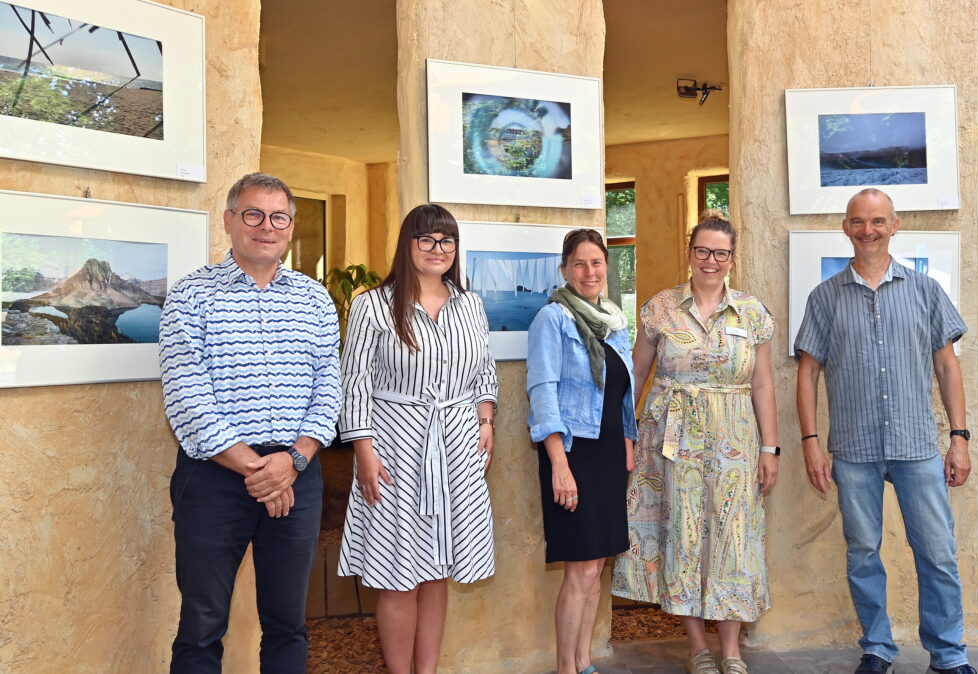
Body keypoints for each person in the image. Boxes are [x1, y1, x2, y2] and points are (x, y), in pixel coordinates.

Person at [160, 172, 341, 672]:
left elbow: (329, 388)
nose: (266, 226)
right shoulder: (191, 296)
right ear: (229, 221)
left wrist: (294, 460)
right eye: (253, 214)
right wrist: (260, 470)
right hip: (213, 479)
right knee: (201, 626)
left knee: (288, 625)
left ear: (291, 226)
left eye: (278, 216)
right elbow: (187, 398)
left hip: (296, 474)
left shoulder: (315, 298)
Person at [794, 188, 975, 674]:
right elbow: (807, 373)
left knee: (937, 552)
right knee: (863, 552)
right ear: (845, 227)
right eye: (858, 221)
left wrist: (959, 437)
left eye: (878, 221)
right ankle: (876, 647)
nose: (868, 230)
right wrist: (811, 442)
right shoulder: (824, 297)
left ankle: (948, 655)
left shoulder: (926, 290)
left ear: (894, 226)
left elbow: (947, 365)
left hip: (917, 445)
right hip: (852, 448)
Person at [612, 212, 779, 674]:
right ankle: (696, 648)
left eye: (720, 253)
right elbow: (636, 377)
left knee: (732, 536)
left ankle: (730, 649)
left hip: (736, 439)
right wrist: (627, 436)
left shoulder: (752, 312)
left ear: (731, 258)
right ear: (690, 253)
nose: (711, 260)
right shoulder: (660, 308)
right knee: (682, 534)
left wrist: (770, 448)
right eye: (702, 250)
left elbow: (763, 385)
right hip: (671, 441)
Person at [337, 204, 498, 674]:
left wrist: (485, 418)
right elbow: (356, 384)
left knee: (439, 572)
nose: (437, 249)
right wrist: (363, 451)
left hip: (458, 447)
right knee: (397, 573)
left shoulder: (470, 305)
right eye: (426, 239)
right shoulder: (373, 305)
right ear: (408, 245)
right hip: (394, 451)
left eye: (446, 240)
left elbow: (484, 370)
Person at [527, 228, 637, 674]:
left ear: (606, 267)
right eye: (579, 264)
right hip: (573, 454)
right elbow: (543, 393)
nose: (589, 272)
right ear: (565, 270)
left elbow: (621, 393)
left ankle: (585, 662)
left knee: (597, 567)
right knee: (581, 570)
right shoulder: (552, 319)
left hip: (609, 454)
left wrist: (628, 445)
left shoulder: (613, 319)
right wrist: (560, 466)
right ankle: (565, 668)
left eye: (596, 263)